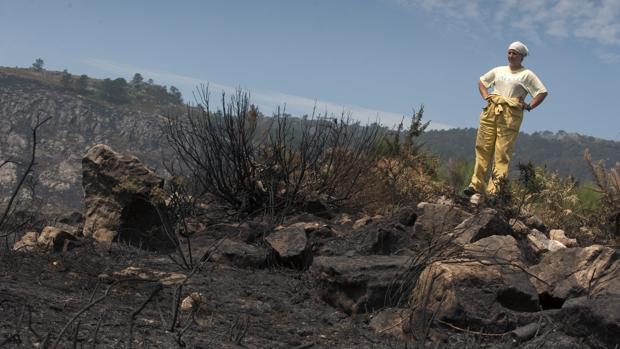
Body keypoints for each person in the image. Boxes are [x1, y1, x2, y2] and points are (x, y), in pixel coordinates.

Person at [464, 41, 548, 196]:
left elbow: (542, 92)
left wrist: (529, 106)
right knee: (483, 147)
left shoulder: (527, 74)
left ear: (522, 57)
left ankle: (495, 190)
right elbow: (482, 81)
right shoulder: (499, 70)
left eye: (514, 53)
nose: (511, 55)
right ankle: (475, 185)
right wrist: (486, 96)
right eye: (509, 52)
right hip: (491, 110)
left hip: (510, 114)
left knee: (502, 152)